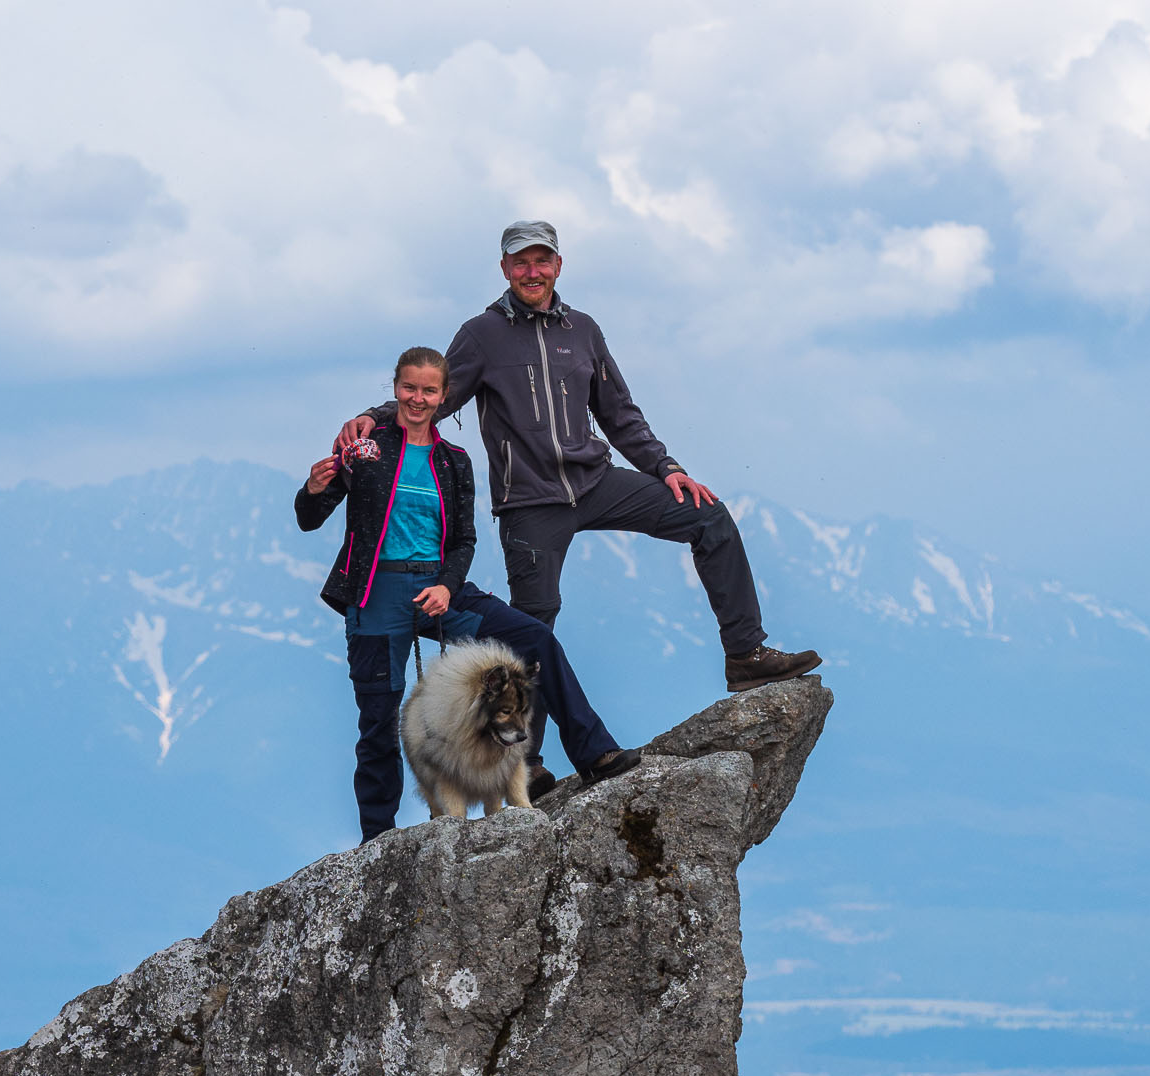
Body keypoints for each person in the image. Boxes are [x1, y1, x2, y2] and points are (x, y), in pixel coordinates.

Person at [337, 221, 820, 798]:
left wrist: (666, 469)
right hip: (531, 500)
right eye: (521, 263)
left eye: (542, 261)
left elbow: (619, 412)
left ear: (559, 265)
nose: (532, 272)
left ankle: (745, 653)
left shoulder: (583, 330)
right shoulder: (482, 335)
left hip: (596, 481)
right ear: (504, 269)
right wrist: (375, 414)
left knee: (708, 517)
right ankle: (529, 762)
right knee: (533, 626)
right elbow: (433, 398)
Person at [296, 345, 640, 842]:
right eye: (409, 388)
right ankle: (377, 844)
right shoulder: (365, 450)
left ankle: (594, 752)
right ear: (395, 390)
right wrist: (311, 488)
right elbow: (310, 519)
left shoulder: (452, 461)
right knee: (377, 725)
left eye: (428, 390)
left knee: (535, 640)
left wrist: (446, 586)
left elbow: (464, 540)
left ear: (443, 396)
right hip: (375, 594)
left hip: (442, 588)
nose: (417, 398)